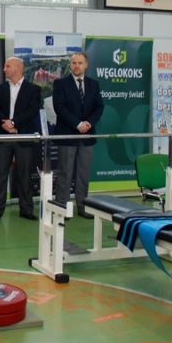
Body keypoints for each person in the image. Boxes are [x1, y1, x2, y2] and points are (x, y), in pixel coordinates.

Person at [52, 52, 104, 219]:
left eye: (80, 63)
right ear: (70, 65)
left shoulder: (94, 84)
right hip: (67, 135)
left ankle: (83, 206)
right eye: (74, 63)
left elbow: (99, 107)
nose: (77, 66)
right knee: (64, 174)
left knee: (83, 174)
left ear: (86, 65)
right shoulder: (60, 84)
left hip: (87, 136)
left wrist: (88, 123)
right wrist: (77, 124)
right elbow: (59, 107)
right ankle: (63, 207)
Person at [0, 57, 41, 222]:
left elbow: (33, 110)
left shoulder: (33, 89)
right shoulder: (1, 89)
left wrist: (14, 123)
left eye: (8, 66)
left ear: (18, 68)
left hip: (23, 136)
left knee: (25, 174)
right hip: (4, 136)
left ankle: (26, 209)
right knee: (0, 174)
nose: (4, 69)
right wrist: (6, 124)